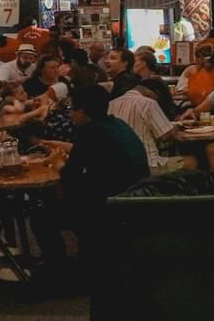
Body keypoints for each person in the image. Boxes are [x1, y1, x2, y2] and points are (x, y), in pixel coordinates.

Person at [34, 85, 148, 275]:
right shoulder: (116, 125)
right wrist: (60, 146)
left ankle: (58, 268)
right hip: (133, 197)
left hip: (107, 206)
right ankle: (91, 256)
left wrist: (58, 161)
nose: (70, 115)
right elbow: (92, 151)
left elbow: (70, 174)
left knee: (42, 218)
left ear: (83, 112)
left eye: (73, 110)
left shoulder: (90, 131)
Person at [109, 81, 195, 173]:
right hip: (147, 164)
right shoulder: (148, 103)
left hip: (119, 166)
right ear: (152, 94)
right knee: (191, 162)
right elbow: (166, 135)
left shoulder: (111, 104)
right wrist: (176, 127)